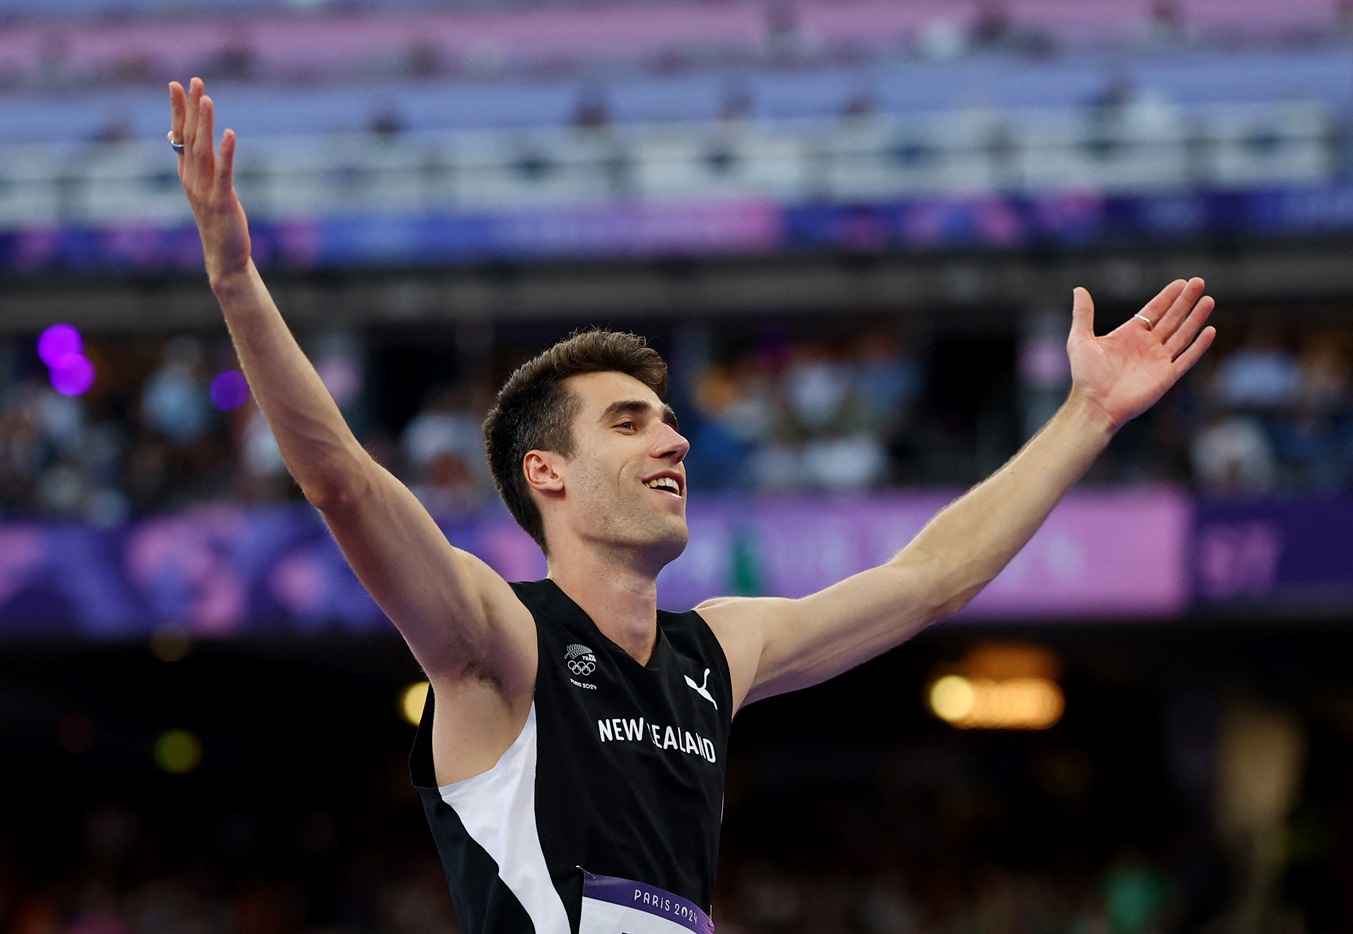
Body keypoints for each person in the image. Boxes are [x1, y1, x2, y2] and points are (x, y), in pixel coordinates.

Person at [167, 76, 1217, 934]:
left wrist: (1086, 415)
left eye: (669, 422)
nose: (673, 441)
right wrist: (237, 283)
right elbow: (343, 481)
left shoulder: (717, 650)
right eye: (628, 423)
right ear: (547, 473)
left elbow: (932, 579)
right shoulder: (496, 642)